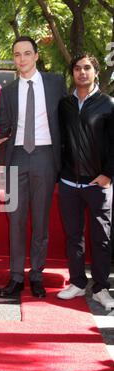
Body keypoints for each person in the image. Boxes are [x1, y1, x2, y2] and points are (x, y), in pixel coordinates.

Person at [0, 36, 67, 298]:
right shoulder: (7, 91)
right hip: (16, 157)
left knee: (40, 221)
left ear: (36, 56)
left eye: (27, 53)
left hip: (46, 156)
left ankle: (37, 275)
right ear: (14, 58)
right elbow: (3, 131)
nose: (22, 58)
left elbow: (67, 119)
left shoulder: (55, 82)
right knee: (15, 219)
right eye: (17, 54)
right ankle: (16, 276)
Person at [57, 54, 114, 310]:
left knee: (102, 239)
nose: (82, 72)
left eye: (87, 68)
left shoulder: (108, 104)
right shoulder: (65, 105)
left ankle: (101, 288)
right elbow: (61, 140)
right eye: (78, 68)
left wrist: (108, 175)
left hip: (98, 184)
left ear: (95, 72)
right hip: (69, 183)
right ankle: (78, 283)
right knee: (73, 236)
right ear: (73, 73)